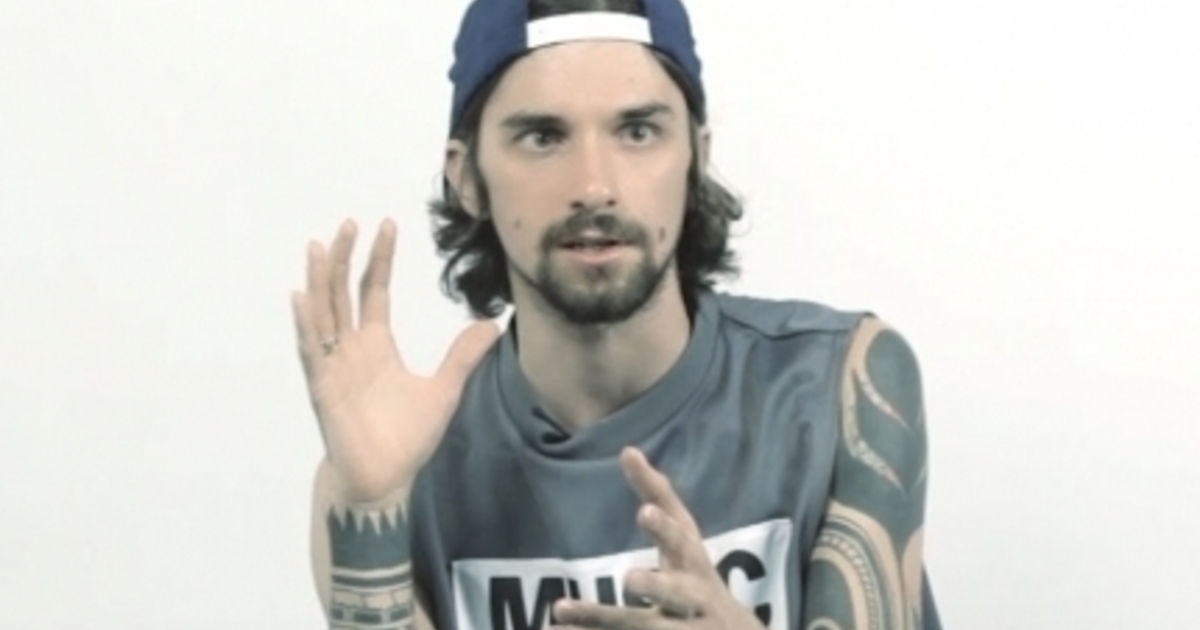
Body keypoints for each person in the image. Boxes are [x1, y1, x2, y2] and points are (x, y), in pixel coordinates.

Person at [291, 0, 943, 628]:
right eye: (543, 137)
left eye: (638, 131)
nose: (594, 186)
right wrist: (371, 506)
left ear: (696, 158)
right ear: (468, 179)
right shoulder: (394, 473)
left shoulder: (840, 387)